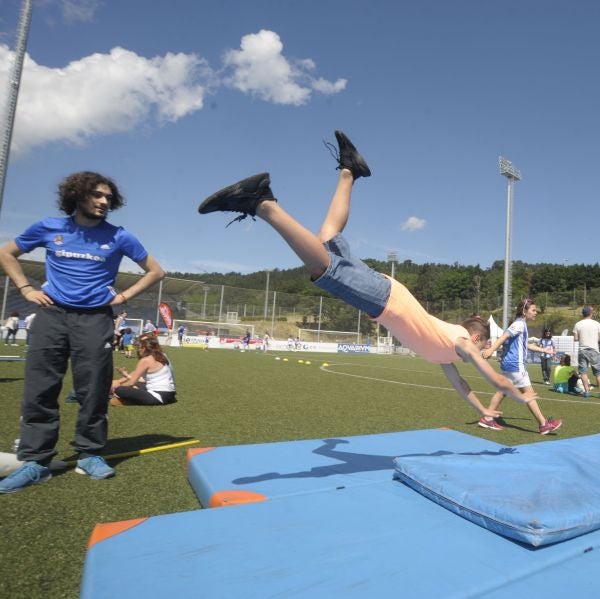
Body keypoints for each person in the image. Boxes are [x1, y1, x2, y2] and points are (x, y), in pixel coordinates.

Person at [197, 130, 558, 434]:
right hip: (385, 299)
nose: (485, 351)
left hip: (386, 296)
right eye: (486, 345)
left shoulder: (445, 354)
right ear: (477, 338)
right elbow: (483, 371)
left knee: (327, 236)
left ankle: (349, 171)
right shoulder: (461, 342)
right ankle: (262, 202)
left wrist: (484, 410)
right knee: (325, 271)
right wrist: (509, 388)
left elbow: (461, 386)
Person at [0, 171, 164, 493]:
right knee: (40, 388)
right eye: (97, 195)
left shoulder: (119, 236)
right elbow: (6, 253)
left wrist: (124, 296)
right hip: (51, 315)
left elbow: (156, 271)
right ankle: (36, 461)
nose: (104, 202)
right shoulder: (50, 227)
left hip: (95, 320)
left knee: (93, 389)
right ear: (77, 196)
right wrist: (25, 288)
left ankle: (89, 454)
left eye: (108, 197)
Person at [480, 298, 560, 433]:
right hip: (516, 366)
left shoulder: (520, 324)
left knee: (502, 391)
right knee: (529, 394)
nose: (536, 313)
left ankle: (487, 418)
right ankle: (543, 424)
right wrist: (491, 350)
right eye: (533, 310)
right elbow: (504, 336)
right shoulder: (519, 324)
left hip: (509, 364)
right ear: (524, 311)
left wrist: (544, 350)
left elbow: (525, 345)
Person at [110, 335, 177, 406]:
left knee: (120, 390)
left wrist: (118, 388)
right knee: (136, 386)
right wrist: (126, 376)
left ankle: (124, 399)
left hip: (158, 396)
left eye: (140, 347)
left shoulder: (145, 360)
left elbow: (131, 383)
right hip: (170, 396)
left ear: (145, 348)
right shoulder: (161, 356)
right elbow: (147, 379)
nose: (138, 350)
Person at [572, 306, 600, 399]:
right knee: (598, 372)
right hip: (594, 350)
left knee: (583, 372)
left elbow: (575, 339)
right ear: (591, 313)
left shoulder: (578, 324)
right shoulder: (597, 324)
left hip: (582, 350)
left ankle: (587, 392)